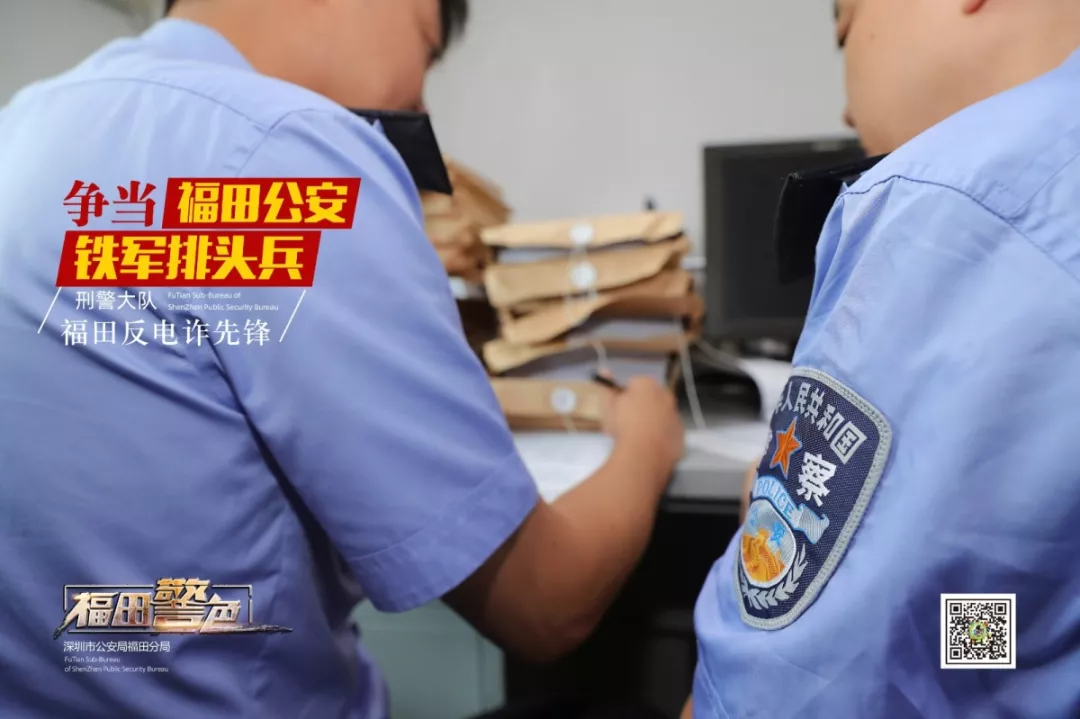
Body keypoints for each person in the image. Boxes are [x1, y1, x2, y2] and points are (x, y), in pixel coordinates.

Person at [0, 1, 685, 717]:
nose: (420, 102)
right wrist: (646, 440)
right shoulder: (288, 149)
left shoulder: (25, 123)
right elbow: (544, 601)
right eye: (426, 48)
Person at [682, 0, 1080, 717]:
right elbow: (1004, 618)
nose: (845, 104)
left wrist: (774, 522)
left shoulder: (955, 199)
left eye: (845, 31)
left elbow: (792, 695)